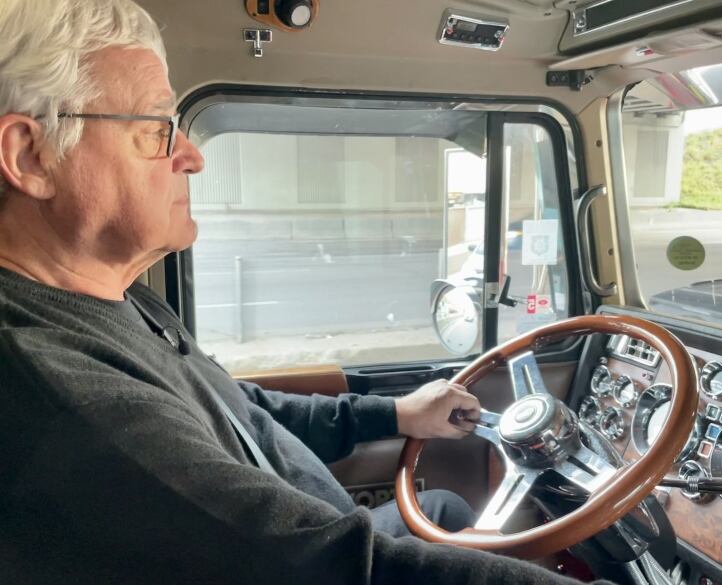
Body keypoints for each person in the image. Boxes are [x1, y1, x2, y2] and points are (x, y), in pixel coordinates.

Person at [0, 1, 612, 583]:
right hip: (318, 559)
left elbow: (241, 412)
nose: (190, 156)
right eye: (157, 128)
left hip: (313, 535)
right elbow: (332, 570)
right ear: (30, 156)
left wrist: (397, 413)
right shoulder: (60, 397)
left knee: (448, 510)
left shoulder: (119, 299)